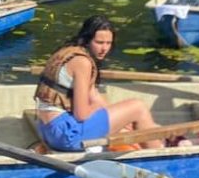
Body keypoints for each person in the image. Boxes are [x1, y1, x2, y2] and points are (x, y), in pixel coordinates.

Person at [34, 15, 163, 151]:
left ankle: (151, 143)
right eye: (99, 42)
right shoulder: (83, 63)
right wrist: (97, 107)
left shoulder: (68, 52)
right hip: (66, 135)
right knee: (139, 107)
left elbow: (94, 96)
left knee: (129, 117)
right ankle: (160, 157)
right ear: (87, 40)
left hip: (48, 130)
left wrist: (123, 120)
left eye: (108, 43)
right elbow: (81, 114)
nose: (104, 48)